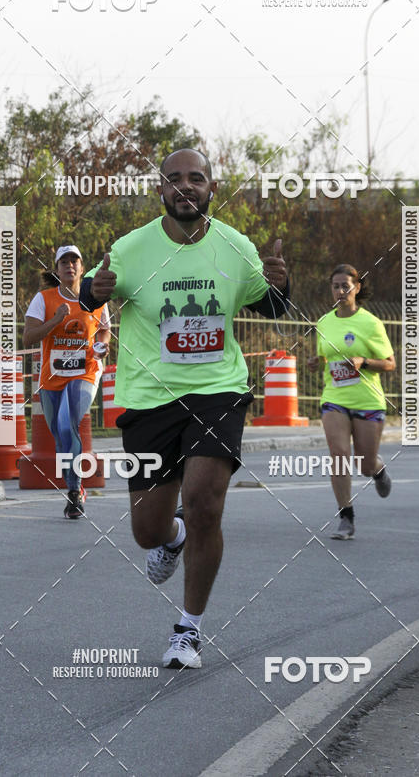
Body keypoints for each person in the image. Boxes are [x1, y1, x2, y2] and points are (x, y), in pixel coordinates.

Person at [79, 148, 290, 669]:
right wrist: (91, 290)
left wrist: (281, 284)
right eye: (174, 179)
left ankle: (188, 631)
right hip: (150, 398)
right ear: (160, 192)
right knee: (146, 530)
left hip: (218, 389)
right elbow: (89, 298)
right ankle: (169, 539)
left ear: (211, 188)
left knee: (204, 503)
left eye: (196, 178)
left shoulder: (234, 246)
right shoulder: (131, 249)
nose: (185, 187)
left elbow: (273, 307)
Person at [308, 264, 396, 540]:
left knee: (364, 464)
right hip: (335, 397)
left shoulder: (370, 323)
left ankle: (377, 470)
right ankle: (346, 516)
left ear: (357, 288)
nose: (340, 291)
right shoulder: (324, 322)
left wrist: (364, 362)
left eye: (345, 285)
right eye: (335, 286)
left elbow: (390, 364)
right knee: (339, 456)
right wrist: (315, 362)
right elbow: (324, 358)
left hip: (367, 399)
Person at [23, 245, 111, 519]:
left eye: (75, 261)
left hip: (85, 370)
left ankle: (74, 492)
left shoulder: (95, 298)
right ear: (57, 269)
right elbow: (28, 337)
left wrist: (102, 346)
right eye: (64, 262)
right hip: (52, 377)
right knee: (60, 436)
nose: (70, 266)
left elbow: (105, 330)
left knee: (66, 422)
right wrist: (57, 320)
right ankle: (75, 487)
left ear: (82, 268)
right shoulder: (44, 299)